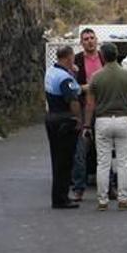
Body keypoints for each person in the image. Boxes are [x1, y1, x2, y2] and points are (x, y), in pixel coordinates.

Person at [84, 43, 127, 211]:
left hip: (103, 120)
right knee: (124, 162)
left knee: (103, 162)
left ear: (102, 55)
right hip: (123, 119)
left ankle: (103, 201)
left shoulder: (96, 77)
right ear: (117, 55)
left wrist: (87, 125)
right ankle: (123, 200)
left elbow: (90, 105)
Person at [44, 46, 83, 209]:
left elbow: (76, 89)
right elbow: (73, 99)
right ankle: (61, 198)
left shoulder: (51, 71)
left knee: (57, 159)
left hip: (52, 117)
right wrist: (79, 119)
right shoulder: (64, 78)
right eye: (72, 57)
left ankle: (59, 196)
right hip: (64, 120)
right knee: (65, 161)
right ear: (68, 58)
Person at [71, 28, 104, 202]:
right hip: (85, 109)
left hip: (104, 108)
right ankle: (78, 189)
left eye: (92, 38)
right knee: (81, 150)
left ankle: (110, 187)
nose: (90, 41)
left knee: (104, 150)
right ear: (81, 43)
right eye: (86, 39)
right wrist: (88, 87)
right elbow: (72, 86)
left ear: (97, 40)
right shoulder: (76, 61)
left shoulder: (104, 58)